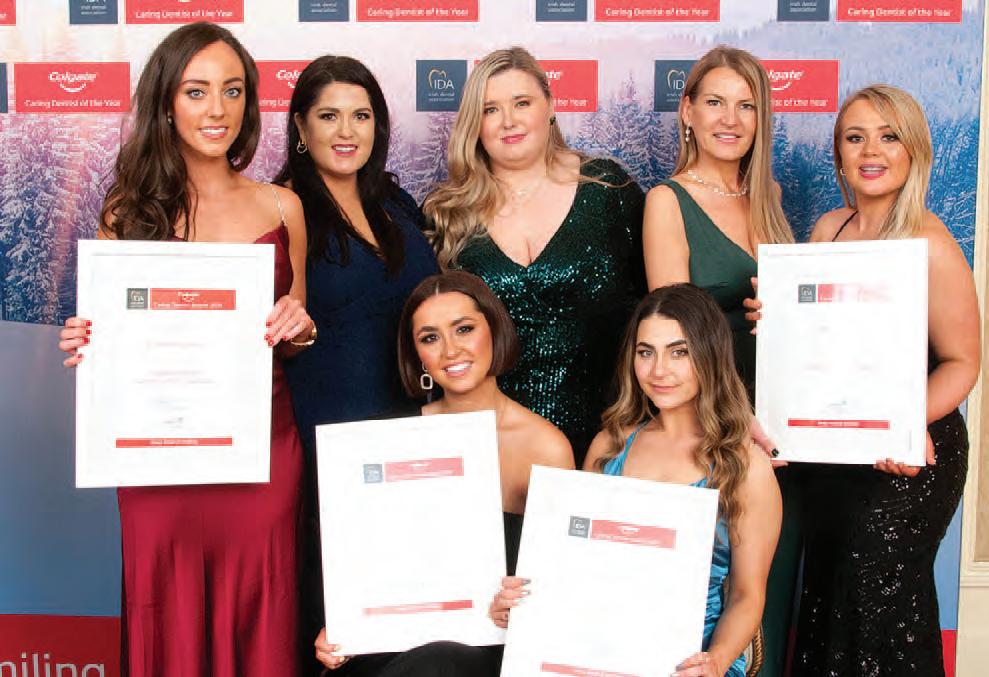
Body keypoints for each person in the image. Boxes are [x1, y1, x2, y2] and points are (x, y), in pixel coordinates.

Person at [57, 22, 309, 676]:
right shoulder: (127, 210)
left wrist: (300, 327)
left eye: (233, 90)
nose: (217, 109)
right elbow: (109, 338)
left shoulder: (284, 207)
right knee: (164, 609)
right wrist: (88, 341)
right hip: (157, 459)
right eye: (197, 91)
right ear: (167, 102)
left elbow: (296, 331)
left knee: (262, 610)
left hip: (260, 452)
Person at [491, 284, 781, 676]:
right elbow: (574, 571)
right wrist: (521, 603)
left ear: (710, 353)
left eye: (679, 352)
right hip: (600, 650)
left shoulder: (746, 466)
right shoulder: (609, 446)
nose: (659, 370)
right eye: (646, 352)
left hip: (692, 661)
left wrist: (716, 662)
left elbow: (747, 595)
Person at [790, 85, 980, 676]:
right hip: (832, 448)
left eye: (888, 136)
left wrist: (900, 422)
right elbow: (815, 341)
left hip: (908, 449)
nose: (871, 151)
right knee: (829, 596)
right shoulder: (828, 229)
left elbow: (962, 362)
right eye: (855, 137)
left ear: (913, 150)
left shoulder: (930, 242)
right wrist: (775, 315)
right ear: (839, 154)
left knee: (878, 602)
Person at [313, 271, 574, 675]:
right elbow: (364, 564)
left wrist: (521, 602)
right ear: (417, 355)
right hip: (395, 640)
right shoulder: (386, 439)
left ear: (494, 330)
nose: (450, 350)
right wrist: (342, 628)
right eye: (430, 338)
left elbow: (562, 588)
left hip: (488, 648)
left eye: (464, 329)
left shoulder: (545, 448)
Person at [273, 55, 438, 669]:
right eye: (328, 116)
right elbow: (265, 329)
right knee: (342, 637)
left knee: (413, 624)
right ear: (300, 126)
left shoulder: (396, 203)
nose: (346, 132)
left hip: (413, 442)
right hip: (330, 453)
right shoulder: (281, 208)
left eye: (361, 116)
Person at [641, 46, 796, 676]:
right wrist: (738, 418)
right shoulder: (666, 200)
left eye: (746, 105)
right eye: (714, 102)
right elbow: (674, 329)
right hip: (718, 422)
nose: (730, 119)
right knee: (711, 601)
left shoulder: (769, 197)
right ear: (687, 112)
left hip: (784, 421)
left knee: (766, 596)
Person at [423, 46, 645, 466]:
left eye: (521, 103)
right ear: (475, 125)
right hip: (492, 445)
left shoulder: (609, 191)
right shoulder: (448, 214)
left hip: (609, 434)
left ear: (551, 106)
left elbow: (662, 307)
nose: (508, 120)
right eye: (490, 110)